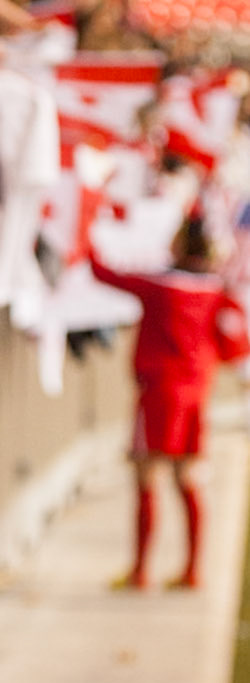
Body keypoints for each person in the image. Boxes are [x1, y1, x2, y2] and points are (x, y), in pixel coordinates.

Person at [93, 213, 246, 590]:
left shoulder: (159, 286)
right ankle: (193, 570)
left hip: (159, 392)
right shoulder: (216, 291)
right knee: (188, 478)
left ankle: (140, 572)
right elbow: (232, 342)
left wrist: (84, 238)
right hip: (196, 394)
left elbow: (105, 274)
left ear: (178, 243)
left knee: (146, 474)